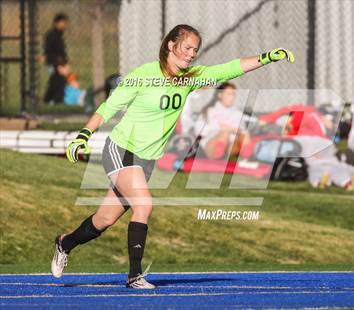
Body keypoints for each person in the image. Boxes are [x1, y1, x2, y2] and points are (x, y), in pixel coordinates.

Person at [51, 24, 295, 289]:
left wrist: (268, 57)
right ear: (171, 45)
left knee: (104, 220)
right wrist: (83, 135)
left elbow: (229, 68)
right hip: (122, 149)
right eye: (187, 47)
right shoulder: (144, 75)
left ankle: (65, 243)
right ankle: (134, 276)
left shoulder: (189, 78)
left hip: (146, 159)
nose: (191, 54)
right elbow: (108, 107)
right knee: (144, 205)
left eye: (195, 50)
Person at [194, 82, 253, 159]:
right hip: (211, 145)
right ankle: (219, 155)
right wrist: (221, 128)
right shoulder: (209, 111)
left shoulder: (237, 113)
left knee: (244, 135)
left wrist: (235, 130)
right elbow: (199, 132)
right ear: (220, 95)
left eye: (233, 94)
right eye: (228, 94)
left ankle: (243, 159)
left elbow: (242, 130)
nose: (232, 97)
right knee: (225, 133)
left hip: (231, 145)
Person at [43, 13, 69, 104]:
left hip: (60, 64)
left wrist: (65, 63)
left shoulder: (60, 35)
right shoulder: (51, 35)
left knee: (56, 82)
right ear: (56, 23)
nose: (64, 25)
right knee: (57, 81)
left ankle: (48, 101)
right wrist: (58, 65)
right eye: (62, 23)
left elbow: (62, 52)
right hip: (53, 63)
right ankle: (57, 102)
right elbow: (49, 52)